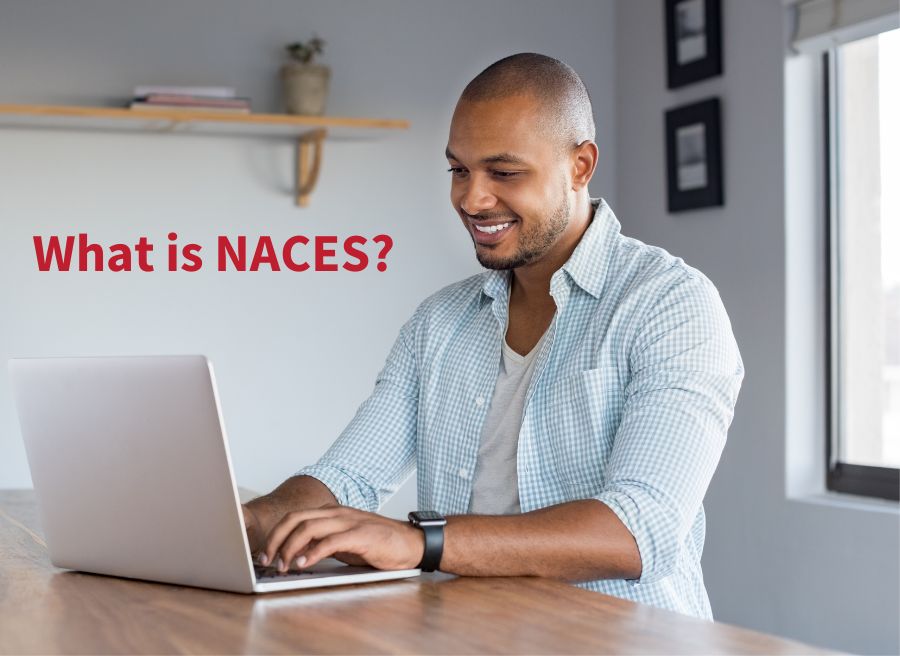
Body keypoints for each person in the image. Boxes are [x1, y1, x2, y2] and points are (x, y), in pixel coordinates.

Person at [242, 52, 744, 620]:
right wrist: (251, 521)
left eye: (504, 173)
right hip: (470, 634)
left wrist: (421, 542)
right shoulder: (439, 323)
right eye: (459, 170)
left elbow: (638, 529)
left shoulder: (669, 304)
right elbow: (348, 477)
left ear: (580, 166)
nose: (472, 199)